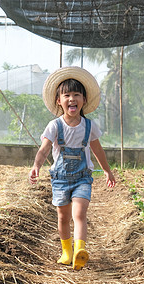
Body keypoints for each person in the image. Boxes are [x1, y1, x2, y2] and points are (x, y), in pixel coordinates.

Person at [29, 66, 115, 271]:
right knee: (63, 217)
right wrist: (36, 166)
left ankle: (79, 251)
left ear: (84, 100)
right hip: (60, 180)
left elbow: (98, 151)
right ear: (59, 100)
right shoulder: (54, 126)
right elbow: (44, 150)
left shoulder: (89, 126)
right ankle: (66, 251)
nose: (71, 98)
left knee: (80, 213)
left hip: (82, 179)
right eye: (66, 95)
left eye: (76, 94)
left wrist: (107, 170)